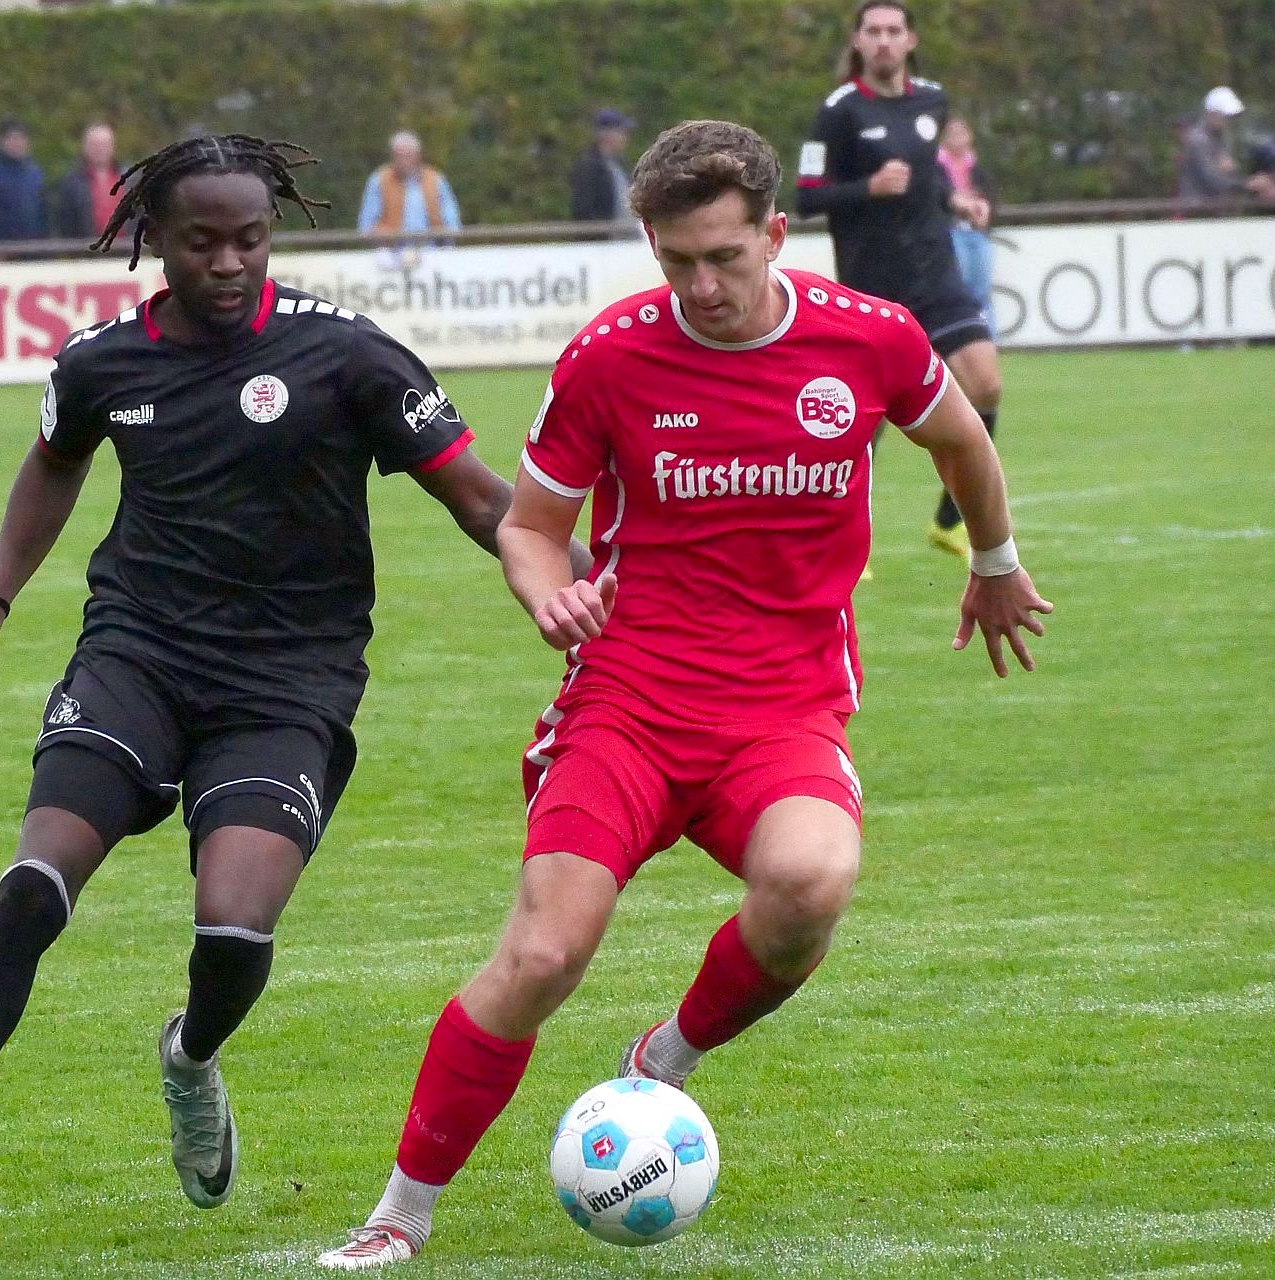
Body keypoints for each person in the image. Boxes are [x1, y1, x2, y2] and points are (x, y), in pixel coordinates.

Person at [0, 132, 585, 1266]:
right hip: (136, 658)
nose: (229, 262)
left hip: (287, 683)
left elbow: (485, 500)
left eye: (250, 240)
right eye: (203, 242)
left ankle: (191, 1056)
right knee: (33, 887)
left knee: (234, 922)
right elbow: (53, 460)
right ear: (155, 239)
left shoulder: (348, 356)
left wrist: (585, 594)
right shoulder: (102, 364)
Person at [317, 118, 1051, 1271]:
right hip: (627, 705)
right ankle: (398, 1214)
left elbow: (962, 440)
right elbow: (530, 527)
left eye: (724, 257)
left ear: (776, 233)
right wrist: (549, 593)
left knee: (811, 883)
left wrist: (996, 562)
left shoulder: (871, 339)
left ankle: (663, 1059)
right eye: (676, 262)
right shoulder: (610, 357)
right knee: (545, 953)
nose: (701, 286)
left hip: (786, 711)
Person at [796, 0, 1004, 559]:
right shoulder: (837, 111)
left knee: (985, 382)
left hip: (936, 273)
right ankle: (838, 542)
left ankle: (950, 522)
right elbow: (806, 197)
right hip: (872, 285)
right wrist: (868, 187)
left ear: (911, 40)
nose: (884, 41)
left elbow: (924, 180)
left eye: (894, 31)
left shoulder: (932, 100)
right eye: (874, 31)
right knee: (861, 420)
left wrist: (957, 201)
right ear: (858, 41)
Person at [937, 116, 995, 335]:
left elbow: (991, 197)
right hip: (951, 231)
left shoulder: (978, 168)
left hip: (977, 232)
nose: (957, 139)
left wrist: (982, 207)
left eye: (961, 133)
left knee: (982, 291)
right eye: (952, 134)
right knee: (959, 289)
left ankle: (987, 336)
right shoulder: (937, 169)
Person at [356, 131, 462, 238]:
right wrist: (383, 233)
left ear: (418, 155)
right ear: (392, 156)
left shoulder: (436, 180)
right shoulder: (378, 180)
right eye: (399, 156)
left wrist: (443, 234)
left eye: (408, 156)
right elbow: (365, 226)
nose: (403, 161)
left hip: (431, 245)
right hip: (391, 247)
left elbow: (453, 223)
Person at [0, 118, 48, 242]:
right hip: (0, 247)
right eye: (12, 138)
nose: (17, 143)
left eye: (21, 138)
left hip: (33, 246)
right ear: (1, 141)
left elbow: (43, 212)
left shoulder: (35, 173)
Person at [568, 107, 639, 233]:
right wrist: (599, 234)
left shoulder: (621, 164)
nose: (625, 137)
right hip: (604, 241)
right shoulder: (588, 167)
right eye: (622, 132)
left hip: (627, 239)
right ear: (608, 135)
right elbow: (583, 209)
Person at [52, 122, 121, 241]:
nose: (100, 150)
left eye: (104, 145)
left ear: (112, 147)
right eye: (95, 145)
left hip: (126, 248)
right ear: (84, 147)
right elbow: (63, 225)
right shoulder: (71, 184)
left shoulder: (129, 179)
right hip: (86, 249)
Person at [1178, 86, 1244, 200]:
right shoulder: (1198, 140)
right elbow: (1210, 180)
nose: (1228, 120)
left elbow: (1228, 170)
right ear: (1211, 114)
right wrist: (1246, 184)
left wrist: (1231, 171)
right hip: (1196, 207)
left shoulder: (1222, 139)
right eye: (1225, 116)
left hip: (1216, 206)